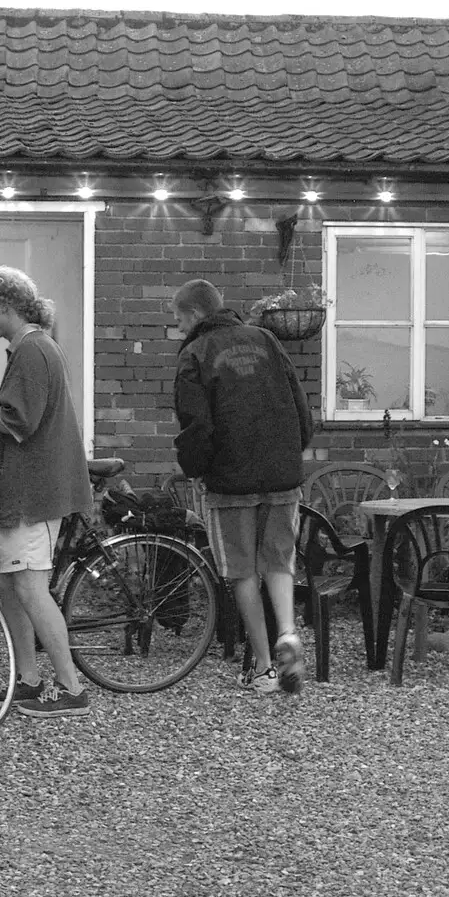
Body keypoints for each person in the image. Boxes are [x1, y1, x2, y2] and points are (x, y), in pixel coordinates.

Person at [0, 266, 94, 718]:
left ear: (6, 306)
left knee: (29, 587)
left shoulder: (32, 350)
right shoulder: (31, 347)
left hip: (35, 491)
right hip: (25, 487)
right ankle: (28, 680)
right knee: (11, 586)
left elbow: (20, 422)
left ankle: (71, 688)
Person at [171, 279, 313, 694]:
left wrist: (195, 468)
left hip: (230, 481)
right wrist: (294, 450)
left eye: (179, 319)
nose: (178, 327)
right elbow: (299, 405)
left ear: (195, 314)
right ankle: (288, 631)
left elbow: (196, 425)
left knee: (242, 572)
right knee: (278, 562)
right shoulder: (267, 340)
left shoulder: (195, 354)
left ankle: (267, 668)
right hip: (283, 476)